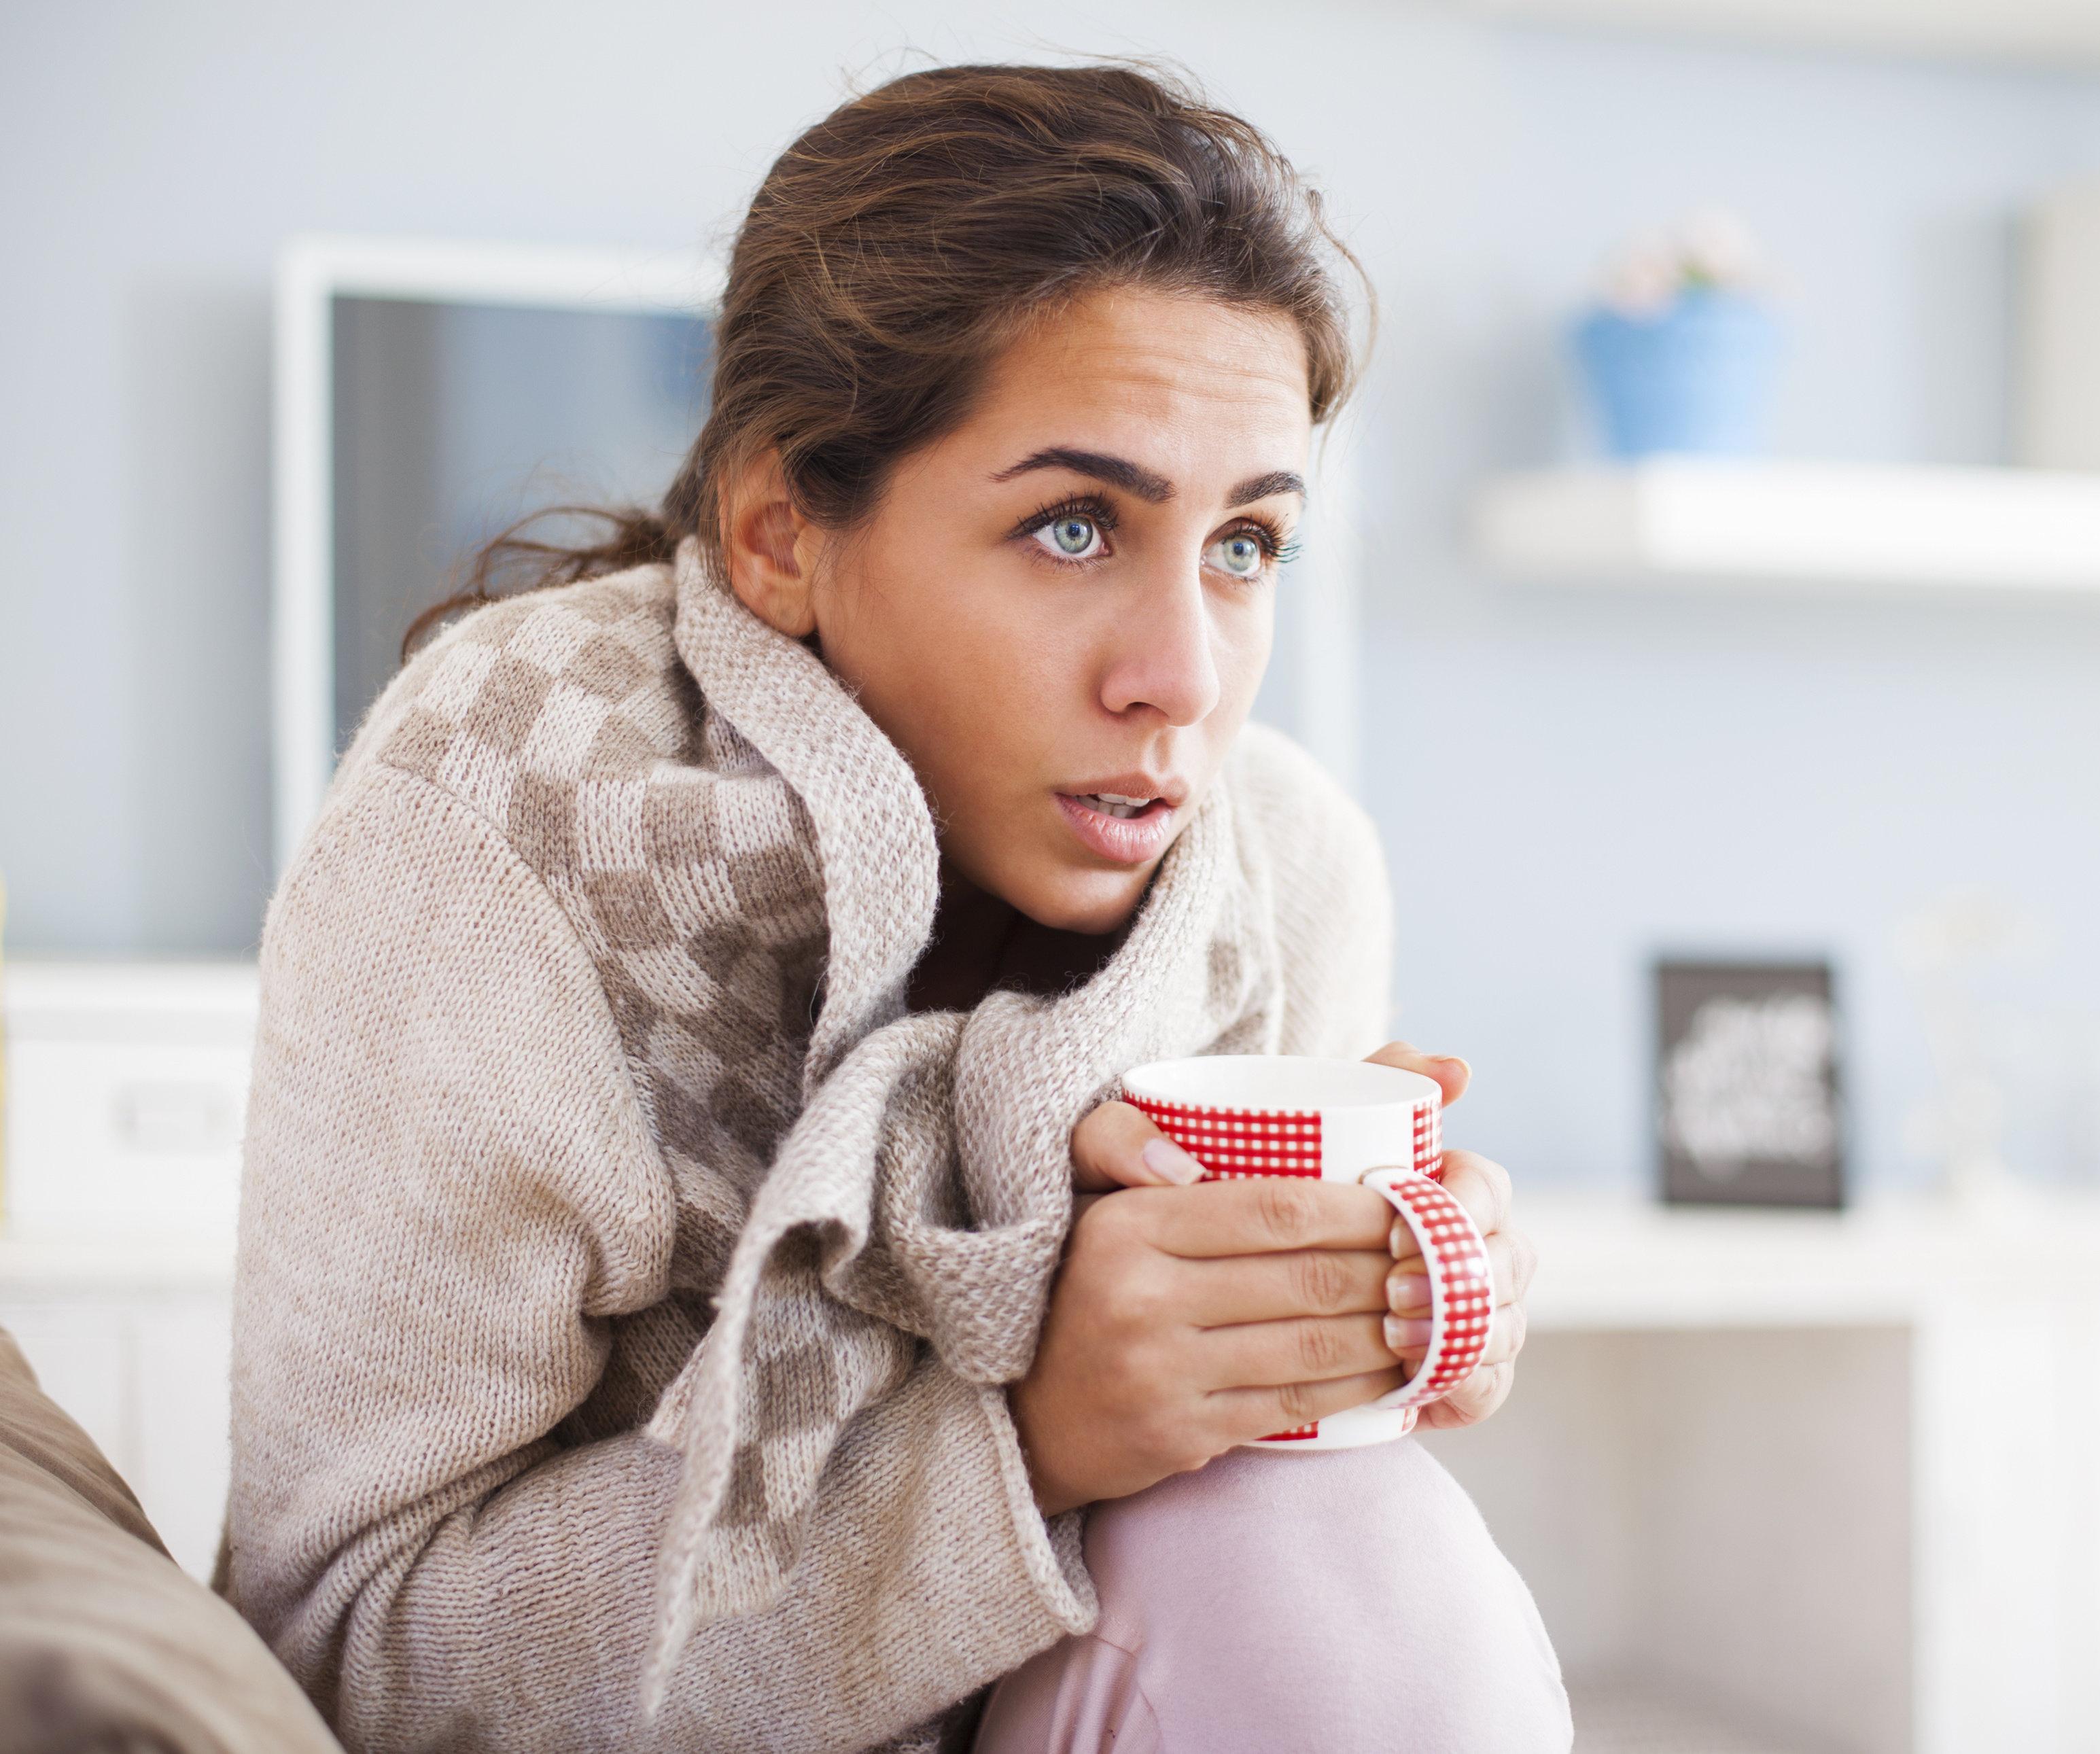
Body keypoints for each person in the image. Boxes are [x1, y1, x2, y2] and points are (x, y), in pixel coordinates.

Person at [220, 61, 1567, 1753]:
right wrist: (1030, 1434)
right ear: (782, 532)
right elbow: (346, 1655)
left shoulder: (1282, 872)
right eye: (1076, 526)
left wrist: (1394, 1314)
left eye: (1246, 546)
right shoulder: (505, 821)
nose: (1183, 680)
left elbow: (1279, 1608)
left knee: (1333, 1533)